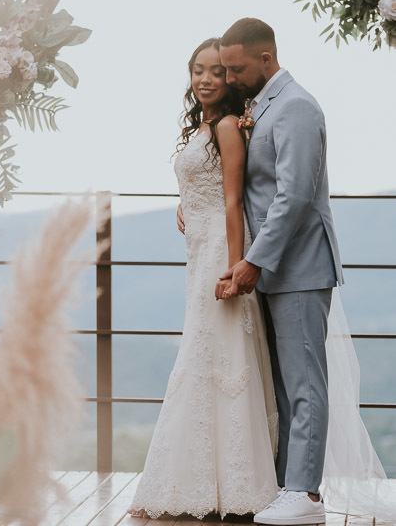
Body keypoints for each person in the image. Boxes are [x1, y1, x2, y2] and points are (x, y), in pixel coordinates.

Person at [127, 37, 280, 519]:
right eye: (198, 70)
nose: (206, 79)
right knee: (205, 352)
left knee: (220, 354)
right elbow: (204, 183)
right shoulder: (204, 125)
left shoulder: (230, 126)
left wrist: (235, 268)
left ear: (231, 78)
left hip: (220, 248)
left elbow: (233, 202)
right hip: (198, 246)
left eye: (216, 71)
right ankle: (200, 479)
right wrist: (185, 204)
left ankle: (232, 484)